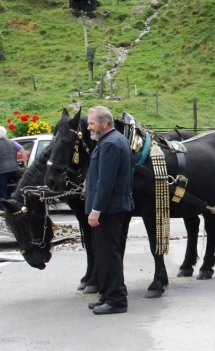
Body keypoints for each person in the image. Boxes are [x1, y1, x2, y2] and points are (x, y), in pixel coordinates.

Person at [84, 106, 134, 315]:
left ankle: (116, 300)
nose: (88, 127)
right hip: (110, 208)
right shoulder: (108, 140)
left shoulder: (111, 143)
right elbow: (99, 174)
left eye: (91, 123)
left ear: (104, 123)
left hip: (109, 210)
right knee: (104, 254)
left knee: (109, 254)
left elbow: (107, 182)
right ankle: (106, 294)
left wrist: (96, 210)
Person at [0, 126, 28, 203]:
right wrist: (25, 162)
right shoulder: (12, 142)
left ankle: (3, 210)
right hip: (13, 170)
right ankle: (14, 205)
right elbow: (22, 150)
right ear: (5, 134)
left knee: (2, 192)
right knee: (12, 189)